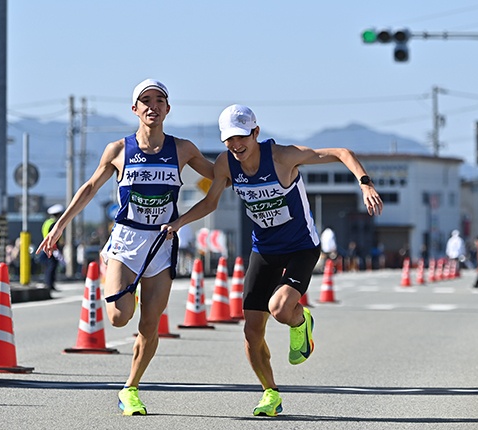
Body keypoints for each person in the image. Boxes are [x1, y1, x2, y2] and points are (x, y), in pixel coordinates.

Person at [162, 104, 383, 417]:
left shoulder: (282, 157)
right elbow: (211, 202)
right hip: (264, 248)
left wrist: (365, 183)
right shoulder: (226, 164)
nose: (236, 145)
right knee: (252, 332)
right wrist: (179, 222)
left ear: (256, 132)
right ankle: (270, 394)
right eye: (229, 140)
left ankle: (300, 321)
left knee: (280, 309)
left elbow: (341, 152)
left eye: (242, 137)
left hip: (301, 246)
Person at [37, 79, 213, 416]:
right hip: (127, 239)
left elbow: (220, 176)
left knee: (150, 324)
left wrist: (253, 161)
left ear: (167, 109)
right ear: (135, 109)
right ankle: (119, 277)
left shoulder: (183, 149)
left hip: (161, 243)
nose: (153, 106)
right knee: (119, 318)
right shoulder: (118, 150)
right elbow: (89, 187)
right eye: (145, 101)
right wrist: (62, 224)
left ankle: (130, 388)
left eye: (159, 100)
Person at [42, 204, 64, 291]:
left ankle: (49, 283)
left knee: (49, 266)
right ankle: (50, 284)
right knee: (52, 266)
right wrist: (55, 249)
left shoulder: (47, 222)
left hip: (46, 247)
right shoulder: (54, 224)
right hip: (52, 248)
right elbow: (53, 237)